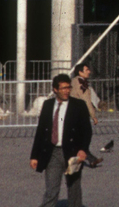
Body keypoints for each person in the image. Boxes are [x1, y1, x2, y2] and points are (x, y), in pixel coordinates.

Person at [30, 73, 92, 207]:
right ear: (55, 90)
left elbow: (87, 131)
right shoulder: (47, 105)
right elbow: (41, 131)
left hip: (72, 153)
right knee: (51, 190)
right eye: (63, 88)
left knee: (74, 190)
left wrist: (83, 149)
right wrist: (34, 156)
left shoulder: (78, 105)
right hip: (52, 153)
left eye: (68, 87)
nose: (67, 91)